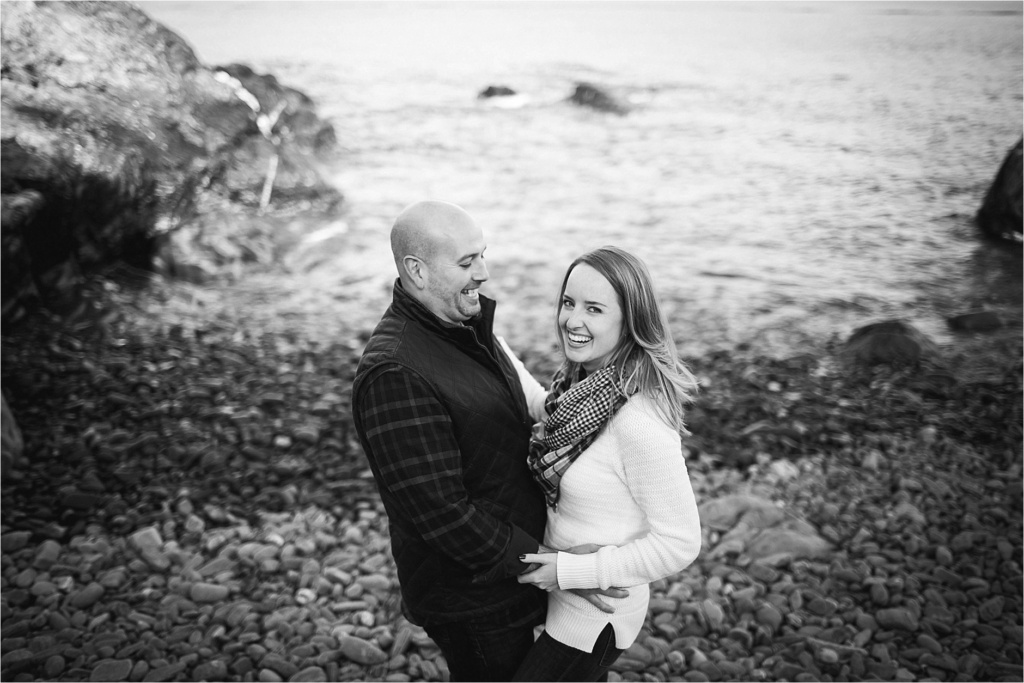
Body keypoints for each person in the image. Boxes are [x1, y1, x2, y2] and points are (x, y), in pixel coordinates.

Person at [351, 201, 623, 682]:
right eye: (466, 262)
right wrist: (548, 564)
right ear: (416, 270)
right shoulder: (396, 371)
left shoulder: (459, 327)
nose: (484, 272)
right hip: (472, 599)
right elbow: (443, 514)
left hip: (510, 576)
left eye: (483, 255)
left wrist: (621, 385)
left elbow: (529, 409)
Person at [511, 246, 703, 682]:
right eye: (568, 302)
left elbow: (681, 541)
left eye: (594, 309)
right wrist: (489, 342)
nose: (572, 321)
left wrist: (573, 571)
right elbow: (546, 409)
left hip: (594, 616)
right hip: (562, 601)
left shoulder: (638, 419)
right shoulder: (585, 386)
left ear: (629, 320)